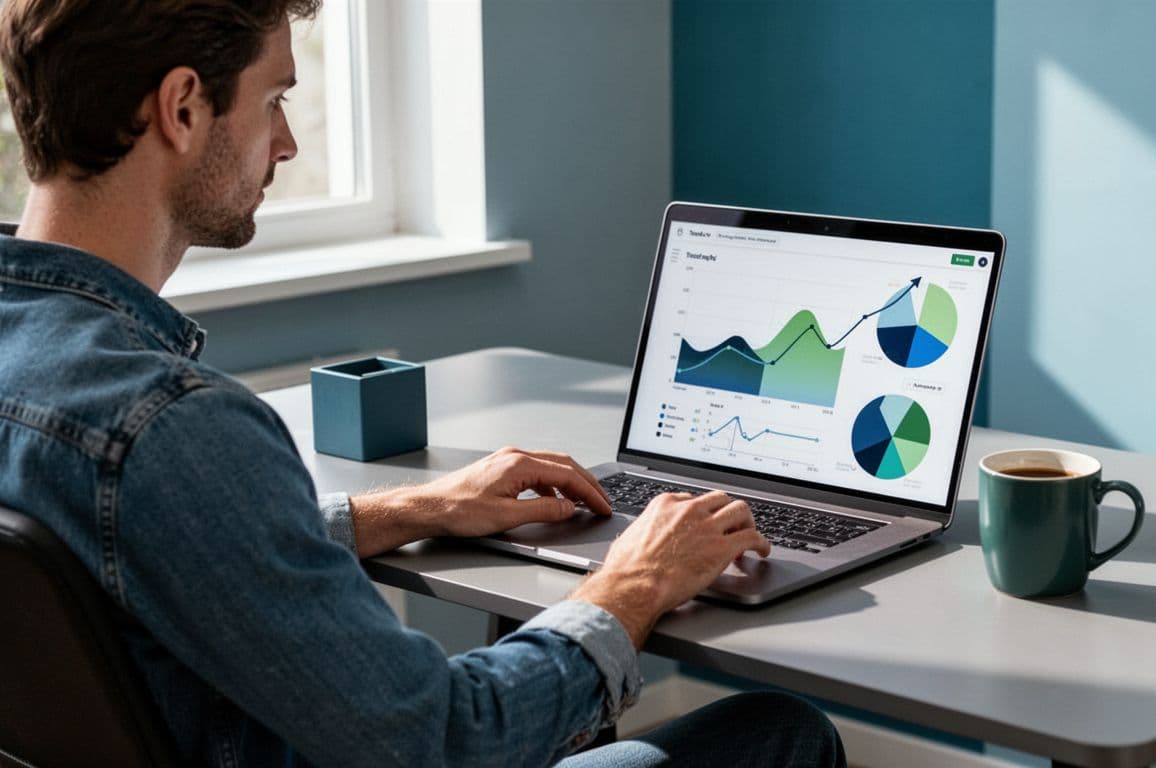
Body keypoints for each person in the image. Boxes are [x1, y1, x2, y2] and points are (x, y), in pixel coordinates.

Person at [0, 2, 847, 767]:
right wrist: (635, 582)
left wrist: (409, 510)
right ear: (182, 107)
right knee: (779, 730)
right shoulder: (173, 428)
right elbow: (446, 740)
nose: (286, 142)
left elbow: (168, 551)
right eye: (274, 99)